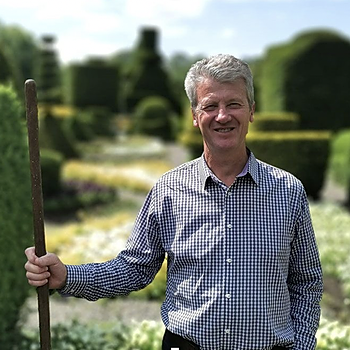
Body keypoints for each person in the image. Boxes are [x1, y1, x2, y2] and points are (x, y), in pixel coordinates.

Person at [25, 54, 323, 350]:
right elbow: (134, 269)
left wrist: (303, 346)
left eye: (234, 104)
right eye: (210, 106)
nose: (222, 116)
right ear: (194, 115)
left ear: (251, 111)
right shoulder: (169, 190)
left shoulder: (287, 191)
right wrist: (67, 276)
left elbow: (306, 282)